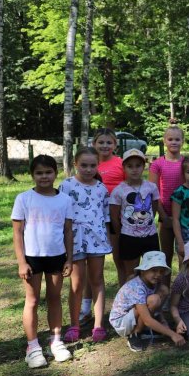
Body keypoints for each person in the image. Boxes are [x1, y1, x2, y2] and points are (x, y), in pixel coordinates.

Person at [12, 155, 74, 368]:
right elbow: (17, 232)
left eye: (48, 172)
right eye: (39, 173)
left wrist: (70, 259)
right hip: (32, 258)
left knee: (55, 298)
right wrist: (22, 262)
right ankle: (33, 347)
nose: (44, 176)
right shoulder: (23, 199)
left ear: (56, 174)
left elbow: (68, 231)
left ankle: (56, 342)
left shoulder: (65, 200)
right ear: (32, 175)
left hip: (57, 257)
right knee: (33, 300)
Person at [60, 147, 111, 344]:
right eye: (84, 165)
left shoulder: (101, 188)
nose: (88, 169)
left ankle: (98, 324)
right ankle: (75, 324)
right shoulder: (66, 186)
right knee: (77, 283)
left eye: (92, 165)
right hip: (74, 241)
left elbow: (105, 216)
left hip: (96, 240)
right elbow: (62, 215)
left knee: (97, 279)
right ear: (75, 164)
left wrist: (106, 238)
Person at [80, 128, 124, 321]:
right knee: (92, 266)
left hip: (117, 217)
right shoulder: (89, 163)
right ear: (94, 144)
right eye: (101, 142)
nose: (105, 146)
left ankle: (125, 302)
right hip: (91, 219)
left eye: (109, 143)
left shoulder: (121, 163)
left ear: (115, 145)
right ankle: (85, 305)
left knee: (120, 260)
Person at [108, 251, 185, 352]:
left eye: (161, 271)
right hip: (121, 322)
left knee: (164, 290)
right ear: (143, 271)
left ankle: (147, 328)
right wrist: (172, 334)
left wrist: (163, 321)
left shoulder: (152, 282)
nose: (158, 274)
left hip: (132, 316)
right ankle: (135, 334)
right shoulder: (137, 286)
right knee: (154, 300)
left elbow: (157, 309)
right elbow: (147, 319)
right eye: (154, 270)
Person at [109, 149, 161, 283]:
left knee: (154, 270)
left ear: (144, 167)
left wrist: (146, 224)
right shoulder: (118, 190)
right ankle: (129, 301)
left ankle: (151, 300)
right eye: (130, 166)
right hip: (129, 237)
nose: (134, 169)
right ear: (124, 168)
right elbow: (114, 216)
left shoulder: (151, 187)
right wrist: (123, 234)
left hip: (150, 236)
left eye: (138, 165)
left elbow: (153, 208)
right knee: (131, 273)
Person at [148, 125, 185, 290]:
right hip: (165, 215)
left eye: (177, 139)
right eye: (170, 139)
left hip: (184, 216)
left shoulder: (186, 162)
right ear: (164, 141)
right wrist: (163, 216)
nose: (174, 142)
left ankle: (184, 289)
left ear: (182, 141)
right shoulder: (157, 164)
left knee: (184, 254)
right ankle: (164, 291)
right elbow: (153, 191)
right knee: (166, 254)